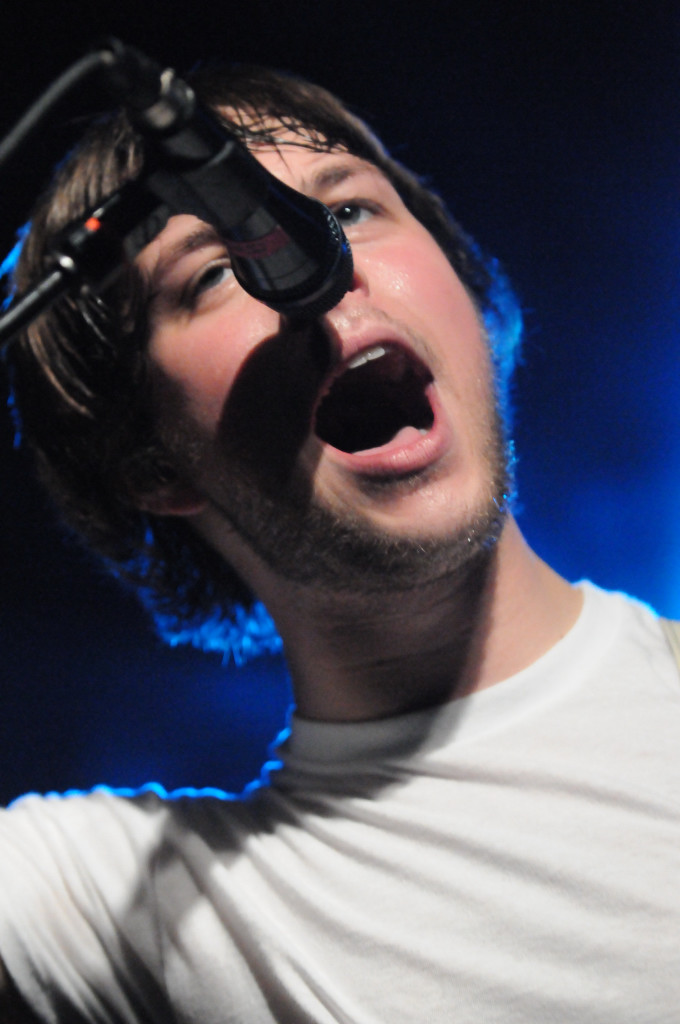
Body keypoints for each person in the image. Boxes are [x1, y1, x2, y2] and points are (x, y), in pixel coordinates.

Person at [0, 61, 679, 1024]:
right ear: (152, 464)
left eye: (350, 210)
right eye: (213, 270)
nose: (309, 264)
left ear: (469, 297)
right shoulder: (124, 911)